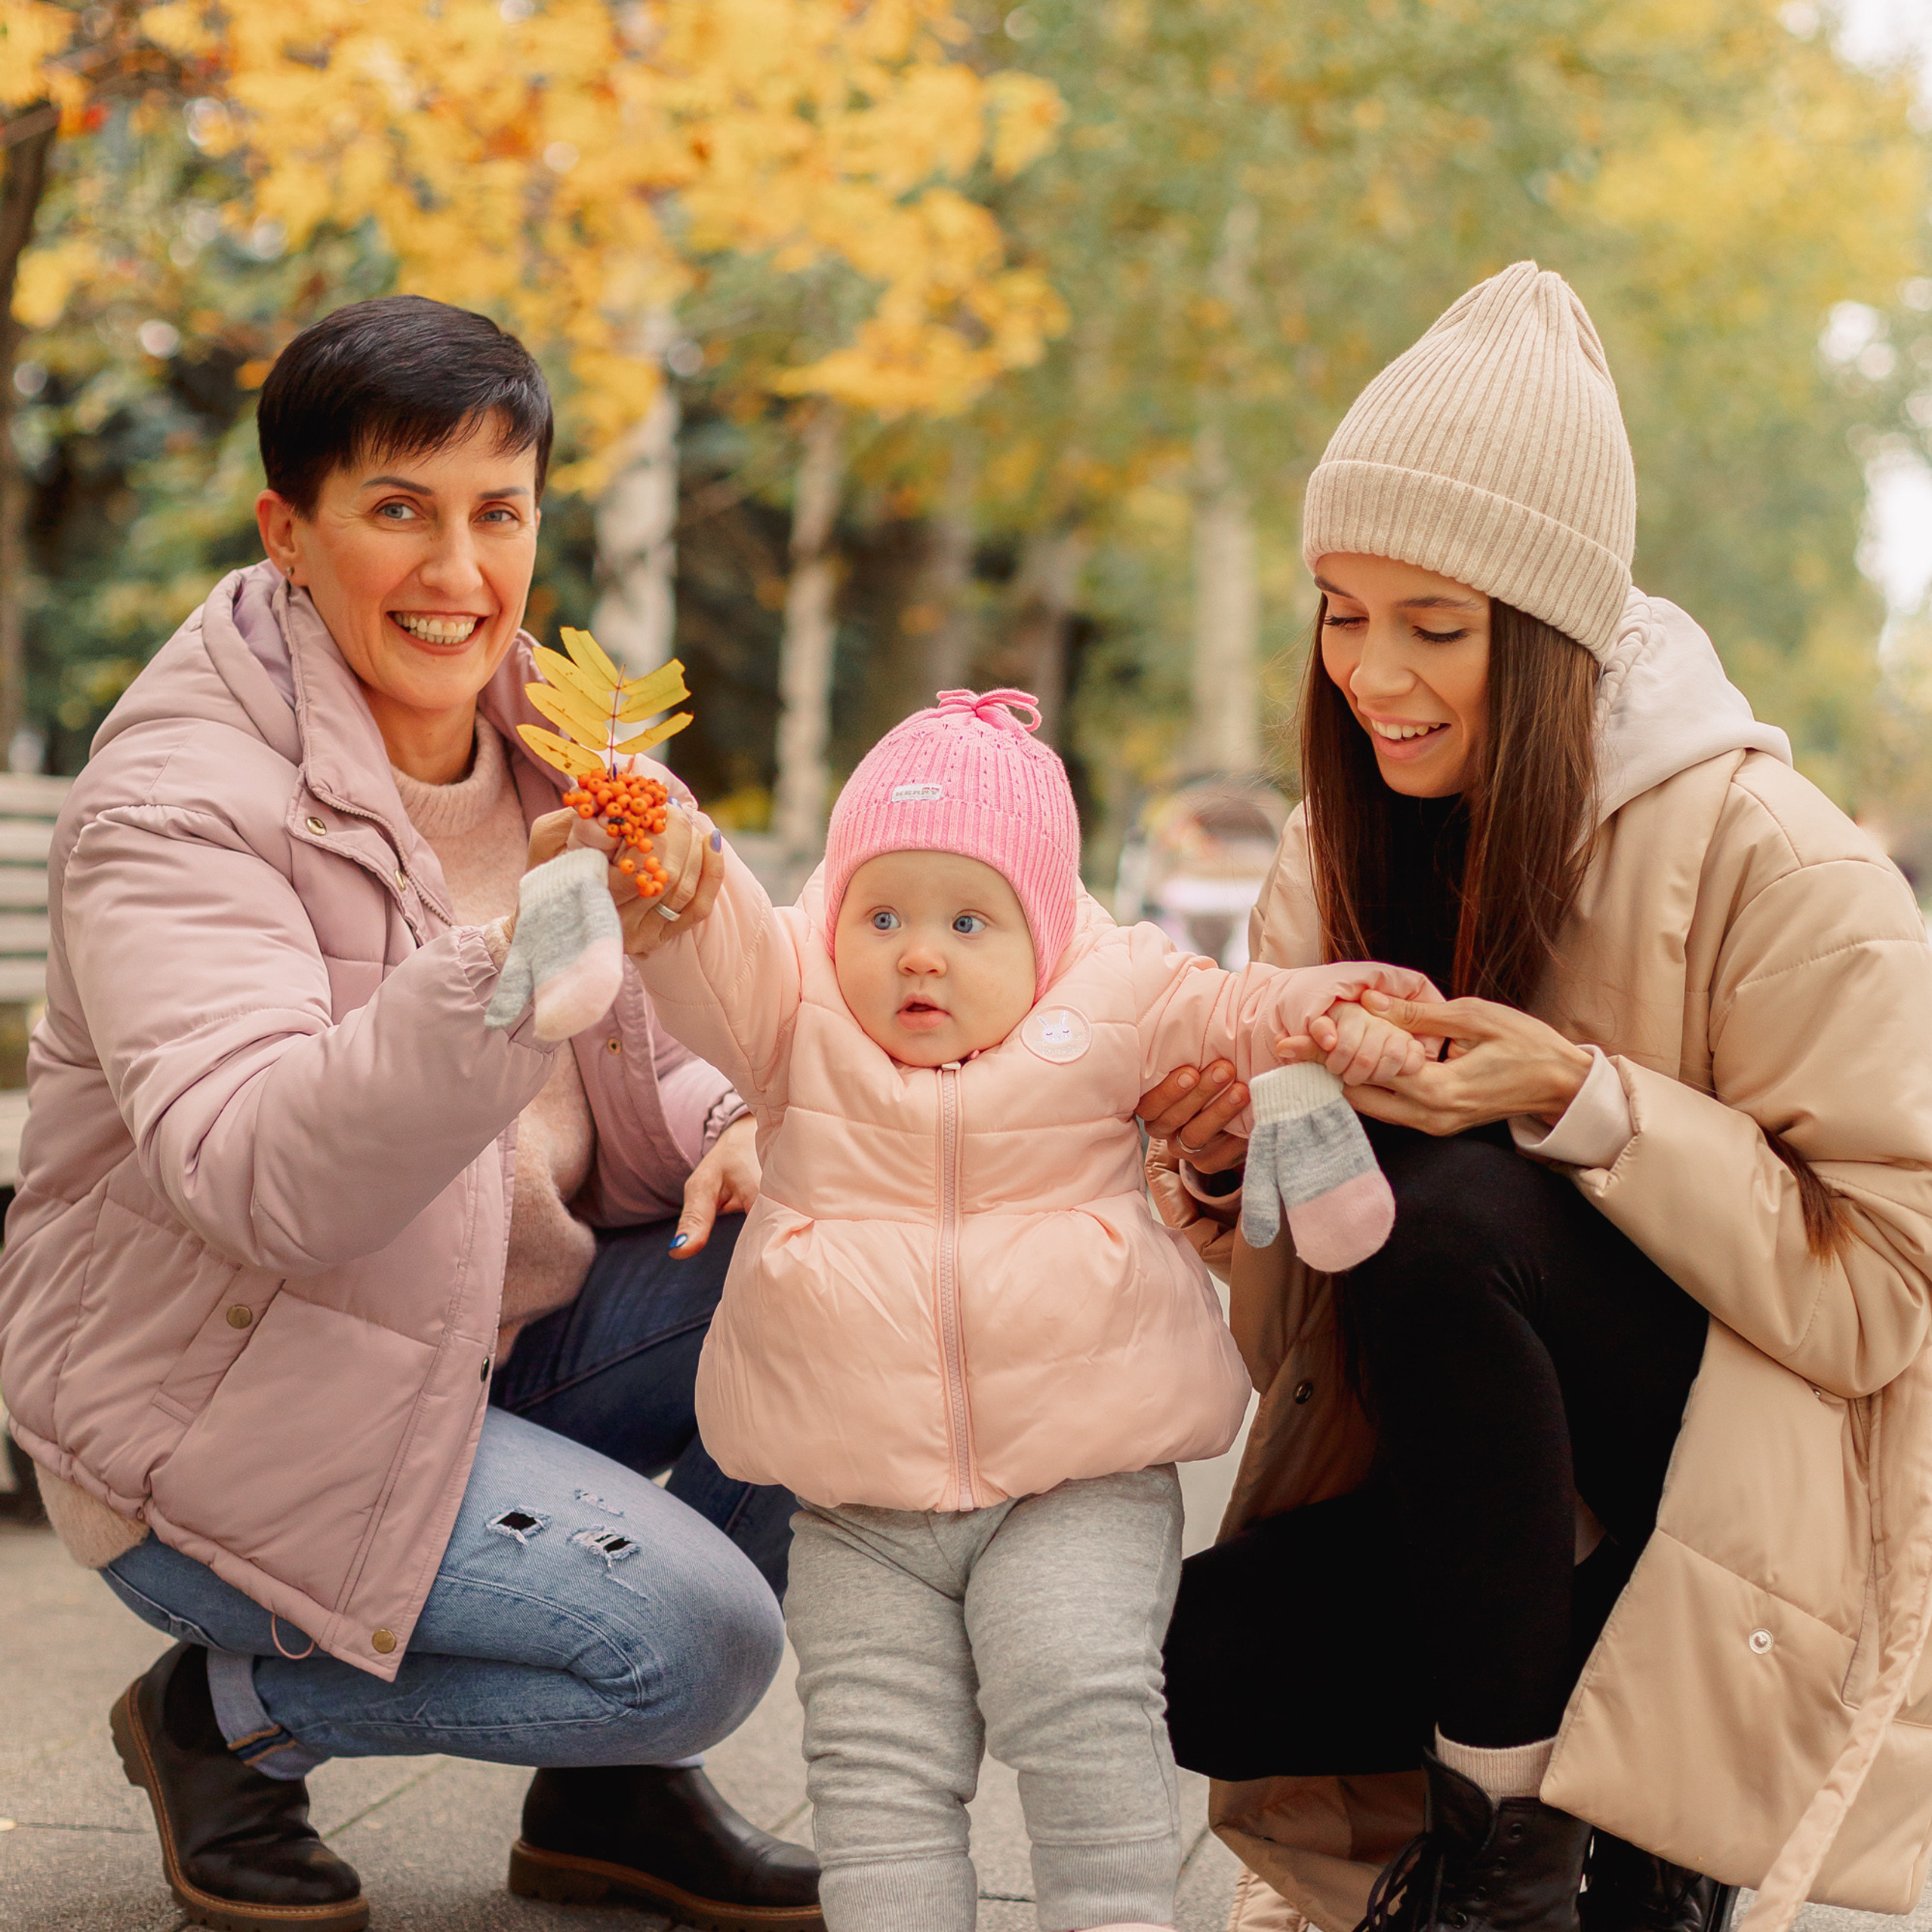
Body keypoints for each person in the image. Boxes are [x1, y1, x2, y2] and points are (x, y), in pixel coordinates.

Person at [0, 296, 820, 1932]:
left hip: (478, 1348)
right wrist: (509, 971)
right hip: (227, 1409)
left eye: (495, 513)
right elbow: (258, 1179)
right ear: (287, 530)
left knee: (821, 1251)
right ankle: (218, 1717)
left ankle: (607, 1806)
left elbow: (663, 1058)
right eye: (398, 510)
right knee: (693, 1643)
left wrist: (732, 1110)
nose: (459, 573)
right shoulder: (182, 796)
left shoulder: (565, 746)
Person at [1146, 262, 1932, 1932]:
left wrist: (1586, 1102)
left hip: (1750, 1511)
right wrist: (1231, 1174)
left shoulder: (1771, 857)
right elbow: (1305, 1315)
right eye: (1338, 611)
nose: (1372, 675)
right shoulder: (1332, 844)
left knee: (1464, 1212)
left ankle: (1509, 1859)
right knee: (1212, 1662)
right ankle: (1592, 1821)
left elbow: (1890, 1290)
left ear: (1559, 633)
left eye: (1435, 626)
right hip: (1491, 1477)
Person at [621, 686, 1435, 1932]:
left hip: (1077, 1475)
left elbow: (1233, 1011)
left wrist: (1321, 1012)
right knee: (876, 1768)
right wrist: (667, 861)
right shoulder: (797, 1007)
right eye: (880, 914)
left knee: (1080, 1698)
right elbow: (710, 942)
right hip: (861, 1504)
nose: (918, 953)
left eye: (968, 920)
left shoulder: (1113, 992)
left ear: (1046, 928)